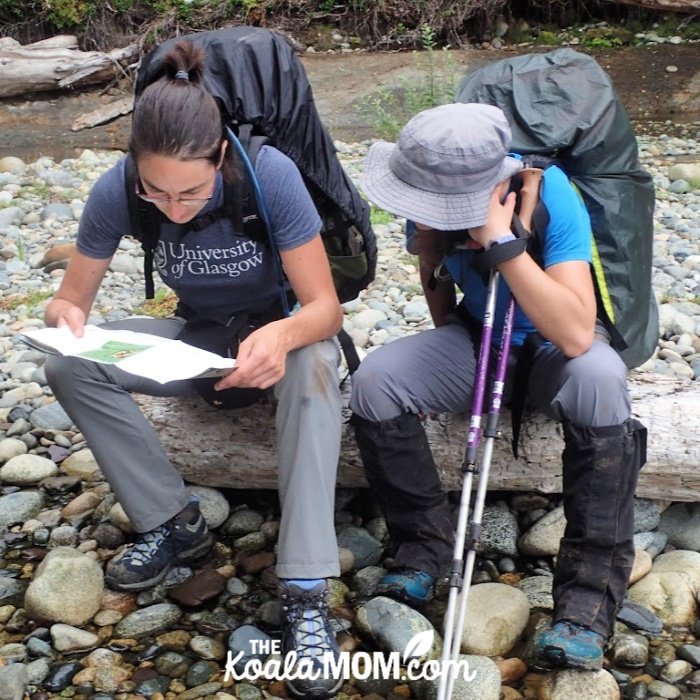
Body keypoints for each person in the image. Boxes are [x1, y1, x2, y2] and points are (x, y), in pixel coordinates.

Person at [44, 40, 343, 699]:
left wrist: (282, 335)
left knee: (317, 365)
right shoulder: (118, 188)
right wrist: (63, 315)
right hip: (198, 340)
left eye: (191, 192)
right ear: (135, 169)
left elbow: (325, 310)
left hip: (284, 338)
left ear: (220, 158)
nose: (174, 208)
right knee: (68, 366)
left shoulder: (270, 176)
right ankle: (175, 523)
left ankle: (305, 588)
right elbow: (73, 299)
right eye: (157, 193)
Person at [350, 102, 646, 671]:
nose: (420, 212)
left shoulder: (551, 194)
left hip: (554, 349)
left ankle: (586, 601)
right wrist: (438, 260)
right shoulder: (428, 200)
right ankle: (425, 547)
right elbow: (438, 283)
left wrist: (500, 240)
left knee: (602, 380)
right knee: (376, 380)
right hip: (481, 340)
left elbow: (578, 334)